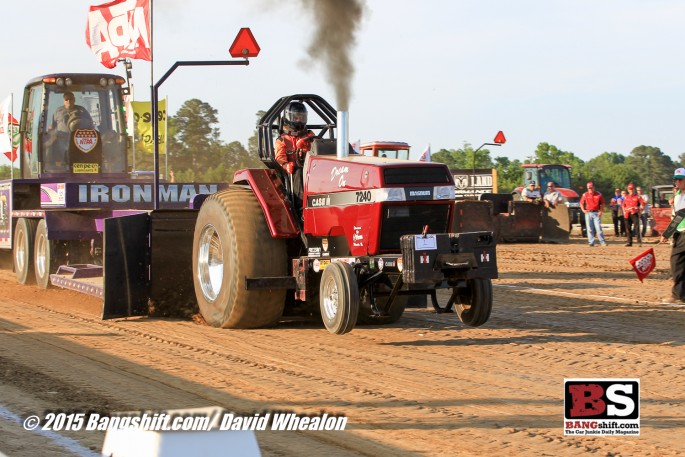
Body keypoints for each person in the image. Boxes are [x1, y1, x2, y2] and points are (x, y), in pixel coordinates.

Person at [275, 101, 315, 210]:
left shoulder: (310, 136)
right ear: (289, 117)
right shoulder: (282, 140)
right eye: (296, 117)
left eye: (302, 117)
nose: (299, 120)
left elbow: (317, 148)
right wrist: (285, 165)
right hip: (292, 173)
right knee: (298, 171)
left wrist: (306, 144)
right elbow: (279, 157)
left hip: (312, 168)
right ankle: (301, 206)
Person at [660, 168, 685, 304]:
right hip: (680, 234)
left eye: (680, 179)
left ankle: (677, 295)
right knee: (678, 264)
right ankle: (680, 295)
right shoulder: (677, 197)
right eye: (675, 179)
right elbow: (676, 216)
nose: (677, 181)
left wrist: (667, 233)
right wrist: (669, 234)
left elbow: (682, 214)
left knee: (677, 263)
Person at [580, 181, 607, 247]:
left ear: (594, 187)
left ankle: (602, 242)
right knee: (589, 229)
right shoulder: (585, 195)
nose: (590, 189)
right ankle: (591, 242)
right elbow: (581, 203)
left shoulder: (598, 194)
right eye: (589, 188)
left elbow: (603, 203)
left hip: (596, 213)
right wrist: (583, 210)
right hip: (588, 213)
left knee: (598, 228)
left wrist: (601, 211)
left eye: (591, 188)